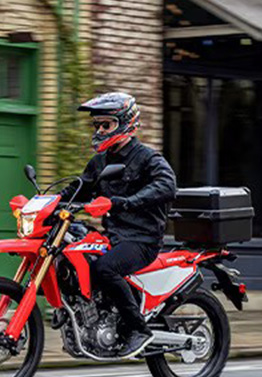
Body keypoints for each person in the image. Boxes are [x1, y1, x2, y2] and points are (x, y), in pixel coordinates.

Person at [61, 92, 177, 357]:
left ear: (125, 123)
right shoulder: (100, 161)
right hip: (113, 236)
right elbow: (77, 190)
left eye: (106, 125)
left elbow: (167, 186)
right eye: (97, 125)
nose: (100, 130)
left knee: (104, 269)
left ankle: (139, 329)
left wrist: (121, 202)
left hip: (142, 239)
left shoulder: (147, 158)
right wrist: (43, 202)